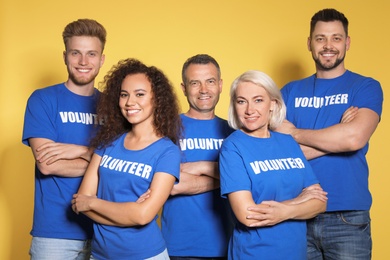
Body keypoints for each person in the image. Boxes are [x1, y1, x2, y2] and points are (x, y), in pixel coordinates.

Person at [276, 8, 383, 259]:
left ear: (347, 43)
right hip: (296, 211)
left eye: (336, 38)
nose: (328, 45)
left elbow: (353, 138)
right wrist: (337, 135)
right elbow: (278, 153)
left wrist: (296, 134)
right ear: (309, 43)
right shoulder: (289, 92)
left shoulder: (365, 86)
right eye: (320, 38)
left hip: (347, 217)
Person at [71, 58, 182, 260]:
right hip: (100, 255)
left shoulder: (168, 152)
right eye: (124, 95)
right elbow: (80, 203)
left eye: (139, 94)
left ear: (156, 99)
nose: (130, 102)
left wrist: (94, 204)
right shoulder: (108, 143)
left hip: (145, 254)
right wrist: (128, 213)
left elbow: (143, 216)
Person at [219, 70, 327, 260]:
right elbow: (247, 215)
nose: (249, 110)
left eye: (258, 100)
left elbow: (319, 203)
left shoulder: (288, 143)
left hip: (295, 253)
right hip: (254, 253)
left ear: (273, 104)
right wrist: (297, 202)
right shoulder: (232, 146)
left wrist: (284, 211)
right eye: (241, 101)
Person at [22, 19, 106, 259]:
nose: (83, 62)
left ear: (101, 59)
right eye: (75, 53)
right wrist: (97, 158)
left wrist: (79, 150)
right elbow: (48, 165)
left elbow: (120, 165)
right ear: (65, 56)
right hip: (54, 236)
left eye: (91, 54)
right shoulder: (43, 100)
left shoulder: (115, 105)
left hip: (105, 231)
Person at [161, 54, 234, 259]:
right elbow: (168, 185)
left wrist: (198, 167)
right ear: (184, 88)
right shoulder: (165, 130)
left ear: (220, 85)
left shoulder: (234, 132)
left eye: (210, 81)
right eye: (195, 83)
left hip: (229, 247)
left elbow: (250, 180)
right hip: (178, 247)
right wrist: (225, 175)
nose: (204, 90)